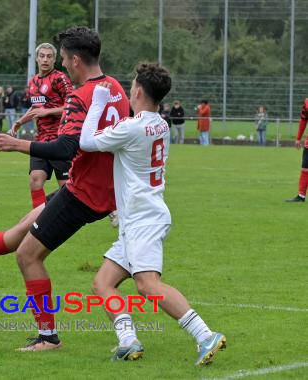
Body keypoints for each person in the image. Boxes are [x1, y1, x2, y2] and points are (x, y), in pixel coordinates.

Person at [0, 27, 130, 351]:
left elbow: (66, 147)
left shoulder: (82, 96)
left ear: (76, 60)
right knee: (24, 226)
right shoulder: (116, 88)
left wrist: (17, 144)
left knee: (28, 256)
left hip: (85, 194)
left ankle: (48, 337)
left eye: (63, 59)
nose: (62, 65)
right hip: (101, 188)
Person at [80, 63, 226, 366]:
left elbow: (86, 142)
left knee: (147, 285)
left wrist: (97, 102)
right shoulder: (160, 123)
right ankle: (128, 342)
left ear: (137, 91)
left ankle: (205, 335)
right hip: (141, 216)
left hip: (142, 219)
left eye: (132, 84)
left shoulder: (133, 127)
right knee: (103, 283)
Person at [9, 42, 74, 208]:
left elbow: (73, 106)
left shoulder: (60, 78)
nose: (45, 59)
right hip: (41, 139)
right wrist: (19, 122)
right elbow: (35, 107)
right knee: (35, 181)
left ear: (54, 60)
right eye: (42, 56)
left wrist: (48, 112)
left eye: (49, 56)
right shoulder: (33, 82)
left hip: (59, 140)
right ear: (37, 58)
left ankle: (52, 215)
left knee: (66, 188)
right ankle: (37, 219)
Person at [286, 98, 308, 202]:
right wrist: (298, 138)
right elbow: (303, 120)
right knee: (305, 169)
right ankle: (301, 196)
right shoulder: (307, 102)